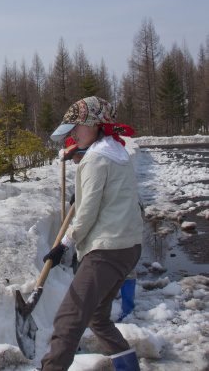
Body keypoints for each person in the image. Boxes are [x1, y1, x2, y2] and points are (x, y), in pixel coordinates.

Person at [39, 96, 143, 371]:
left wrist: (65, 243)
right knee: (97, 317)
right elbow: (109, 196)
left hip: (107, 250)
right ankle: (129, 367)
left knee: (69, 318)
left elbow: (87, 213)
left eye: (77, 126)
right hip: (128, 247)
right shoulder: (115, 153)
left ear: (96, 125)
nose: (73, 133)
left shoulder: (96, 158)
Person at [63, 137, 138, 322]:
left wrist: (67, 240)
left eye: (73, 156)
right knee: (122, 268)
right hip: (124, 223)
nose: (72, 161)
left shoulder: (95, 161)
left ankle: (127, 309)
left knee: (122, 269)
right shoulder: (104, 158)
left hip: (119, 225)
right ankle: (116, 305)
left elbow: (90, 209)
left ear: (79, 152)